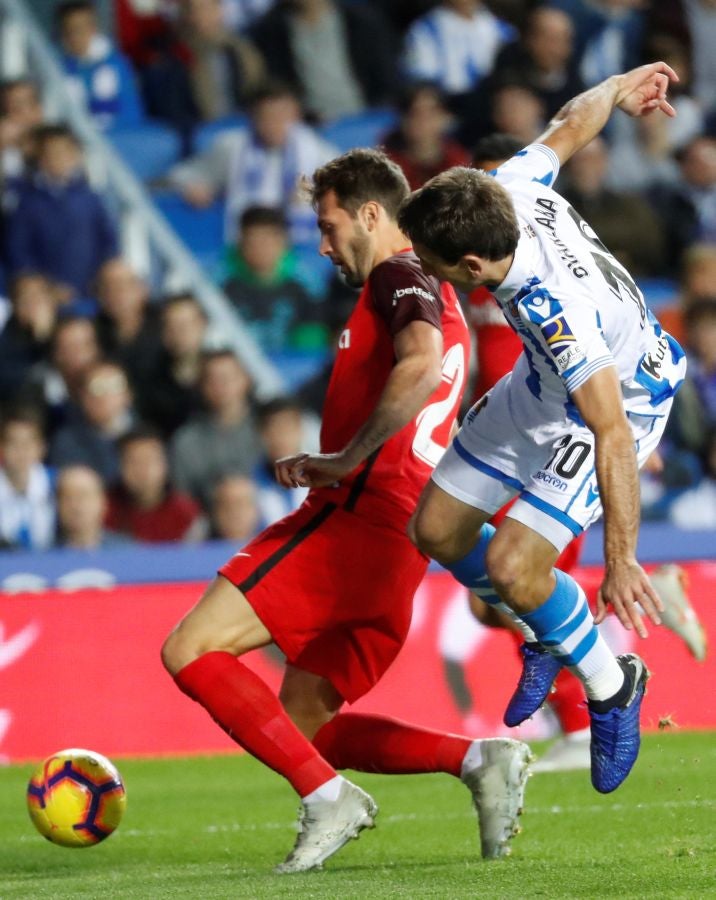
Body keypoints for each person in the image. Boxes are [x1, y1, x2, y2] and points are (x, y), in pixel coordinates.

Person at [161, 147, 531, 874]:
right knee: (300, 724)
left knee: (189, 649)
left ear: (372, 214)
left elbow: (420, 362)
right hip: (401, 538)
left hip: (355, 520)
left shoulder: (399, 272)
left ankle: (330, 801)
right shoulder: (439, 285)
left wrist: (346, 457)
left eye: (330, 228)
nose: (324, 246)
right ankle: (478, 759)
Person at [399, 62, 686, 794]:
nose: (425, 273)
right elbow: (568, 124)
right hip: (539, 386)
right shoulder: (512, 190)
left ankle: (611, 682)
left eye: (432, 266)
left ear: (470, 263)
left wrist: (623, 560)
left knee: (514, 569)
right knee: (435, 530)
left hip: (622, 400)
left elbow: (613, 432)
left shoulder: (549, 308)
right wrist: (620, 87)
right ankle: (541, 630)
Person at [167, 80, 337, 245]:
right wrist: (192, 185)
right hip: (247, 245)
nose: (275, 124)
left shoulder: (317, 152)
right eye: (267, 117)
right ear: (253, 118)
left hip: (303, 247)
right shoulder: (232, 148)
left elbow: (350, 186)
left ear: (296, 116)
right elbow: (181, 175)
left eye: (283, 116)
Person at [5, 124, 119, 297]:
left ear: (76, 155)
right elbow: (19, 250)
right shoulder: (27, 202)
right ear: (40, 159)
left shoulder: (91, 198)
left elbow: (108, 242)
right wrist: (46, 287)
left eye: (65, 152)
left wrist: (100, 280)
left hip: (90, 289)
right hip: (47, 296)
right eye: (51, 153)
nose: (58, 159)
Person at [221, 205, 329, 354]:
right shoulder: (219, 282)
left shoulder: (306, 284)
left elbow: (311, 342)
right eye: (252, 241)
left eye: (267, 241)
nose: (260, 249)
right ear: (241, 243)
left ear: (283, 242)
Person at [56, 0, 146, 131]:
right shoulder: (59, 69)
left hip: (120, 132)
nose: (76, 35)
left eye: (82, 28)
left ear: (93, 28)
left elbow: (132, 109)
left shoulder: (117, 64)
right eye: (69, 30)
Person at [106, 426, 203, 543]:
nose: (142, 470)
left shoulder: (185, 513)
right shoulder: (106, 510)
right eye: (134, 462)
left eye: (149, 461)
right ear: (120, 467)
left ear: (164, 465)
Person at [0, 407, 55, 551]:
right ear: (2, 448)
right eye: (13, 443)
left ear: (41, 448)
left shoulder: (56, 483)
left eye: (28, 444)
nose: (21, 451)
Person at [55, 464, 128, 549]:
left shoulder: (129, 554)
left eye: (84, 495)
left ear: (103, 503)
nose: (75, 505)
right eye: (67, 497)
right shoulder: (45, 557)